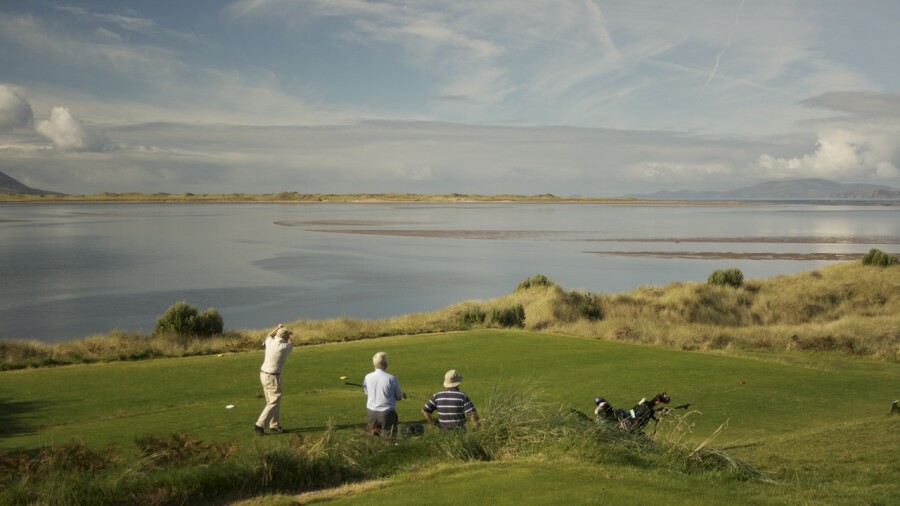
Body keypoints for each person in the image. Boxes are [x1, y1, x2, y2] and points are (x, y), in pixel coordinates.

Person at [254, 324, 294, 435]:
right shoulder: (283, 347)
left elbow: (269, 335)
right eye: (287, 335)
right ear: (285, 337)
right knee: (274, 401)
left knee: (272, 401)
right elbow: (291, 343)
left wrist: (277, 328)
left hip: (264, 375)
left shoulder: (270, 342)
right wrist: (288, 336)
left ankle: (274, 425)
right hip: (272, 377)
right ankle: (259, 425)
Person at [363, 351, 405, 437]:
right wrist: (402, 394)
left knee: (372, 440)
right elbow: (399, 397)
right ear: (386, 364)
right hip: (387, 414)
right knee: (388, 439)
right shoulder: (391, 378)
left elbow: (367, 392)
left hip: (371, 413)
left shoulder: (367, 377)